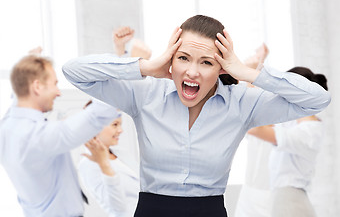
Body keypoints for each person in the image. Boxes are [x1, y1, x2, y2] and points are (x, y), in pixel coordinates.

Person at [62, 15, 331, 217]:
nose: (192, 72)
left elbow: (318, 99)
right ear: (171, 59)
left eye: (206, 62)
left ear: (221, 68)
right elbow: (73, 71)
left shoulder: (242, 104)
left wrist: (247, 72)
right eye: (183, 58)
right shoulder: (146, 93)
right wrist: (146, 66)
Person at [0, 54, 118, 217]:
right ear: (37, 87)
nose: (58, 93)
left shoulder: (7, 125)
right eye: (55, 84)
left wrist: (25, 67)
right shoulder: (36, 137)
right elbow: (100, 113)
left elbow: (18, 96)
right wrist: (131, 65)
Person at [248, 66, 329, 217]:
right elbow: (261, 118)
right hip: (286, 197)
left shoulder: (310, 131)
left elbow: (253, 127)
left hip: (290, 198)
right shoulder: (291, 123)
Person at [78, 102, 139, 217]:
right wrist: (105, 166)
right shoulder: (88, 165)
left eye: (120, 124)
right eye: (115, 125)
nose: (121, 130)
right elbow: (117, 208)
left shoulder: (120, 153)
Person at [234, 43, 273, 217]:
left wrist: (250, 70)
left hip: (265, 196)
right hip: (250, 193)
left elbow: (246, 113)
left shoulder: (274, 126)